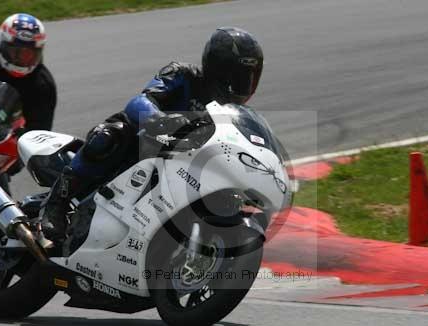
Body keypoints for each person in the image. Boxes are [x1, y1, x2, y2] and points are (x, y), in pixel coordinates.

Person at [41, 27, 264, 240]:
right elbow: (140, 101)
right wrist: (159, 119)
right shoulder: (182, 74)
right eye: (239, 76)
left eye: (249, 78)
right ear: (218, 68)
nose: (244, 84)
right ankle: (56, 203)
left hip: (184, 165)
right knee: (109, 136)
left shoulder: (234, 114)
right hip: (144, 144)